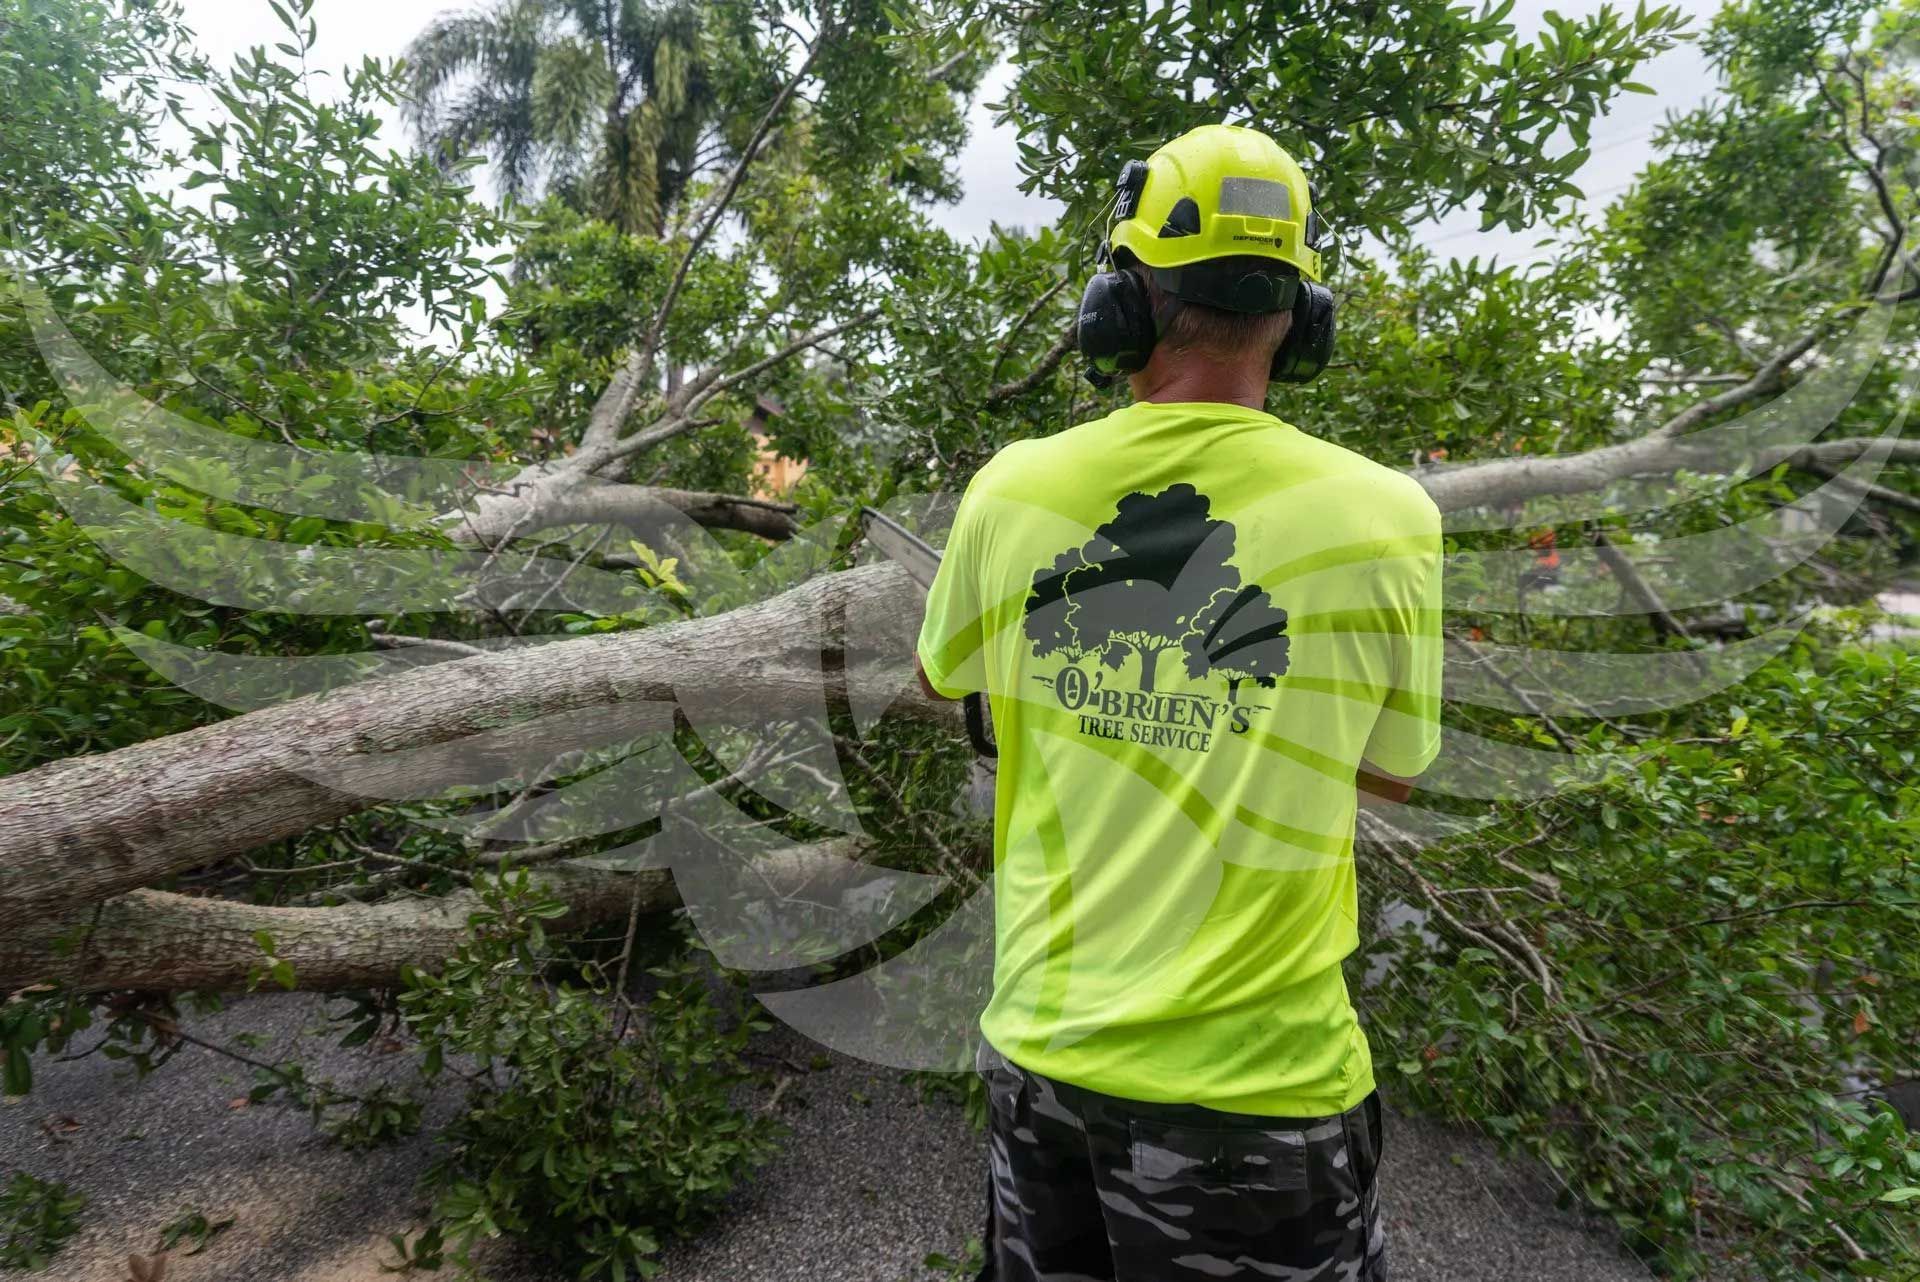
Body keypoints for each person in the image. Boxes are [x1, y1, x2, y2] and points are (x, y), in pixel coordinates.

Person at [913, 123, 1443, 1282]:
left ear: (1121, 305)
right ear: (1302, 320)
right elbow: (1393, 768)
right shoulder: (1388, 514)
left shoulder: (1013, 490)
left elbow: (942, 672)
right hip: (1266, 1095)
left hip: (1046, 1064)